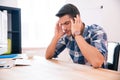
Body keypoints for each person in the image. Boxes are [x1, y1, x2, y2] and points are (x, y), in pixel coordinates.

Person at [45, 3, 108, 68]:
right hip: (79, 75)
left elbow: (97, 62)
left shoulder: (96, 31)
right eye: (62, 24)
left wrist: (77, 35)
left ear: (77, 19)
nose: (64, 28)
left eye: (67, 23)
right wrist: (56, 36)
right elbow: (48, 56)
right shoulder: (67, 36)